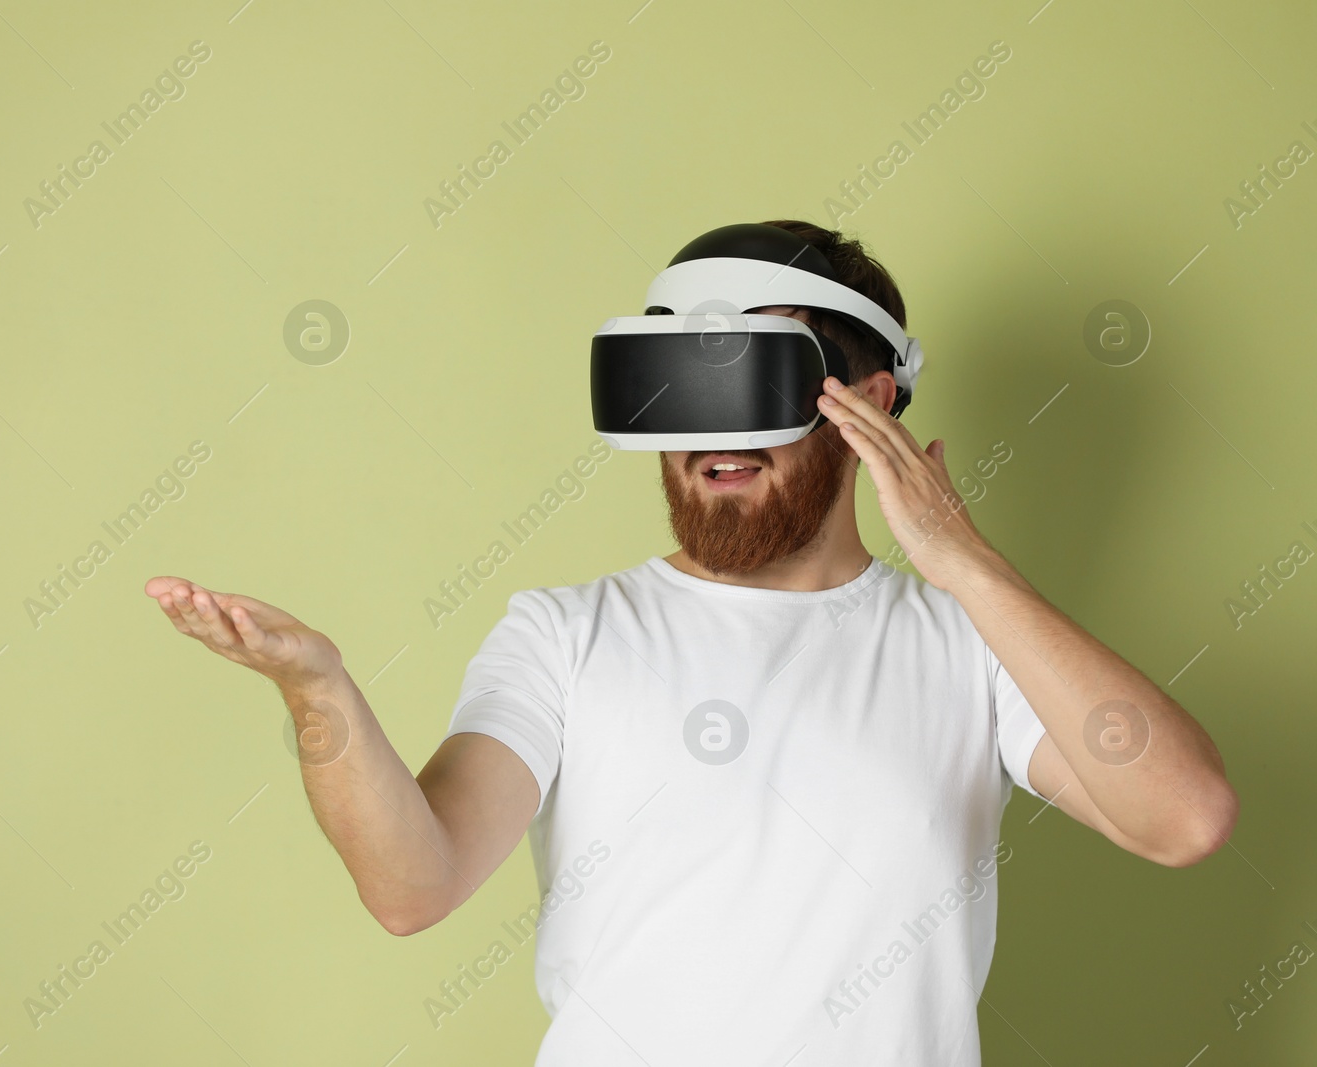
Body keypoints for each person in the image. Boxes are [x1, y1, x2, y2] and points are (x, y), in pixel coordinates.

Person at [144, 219, 1238, 1066]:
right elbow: (411, 884)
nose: (710, 431)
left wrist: (964, 562)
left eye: (747, 377)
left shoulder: (969, 641)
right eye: (677, 382)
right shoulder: (565, 632)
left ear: (869, 402)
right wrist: (317, 691)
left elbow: (1183, 816)